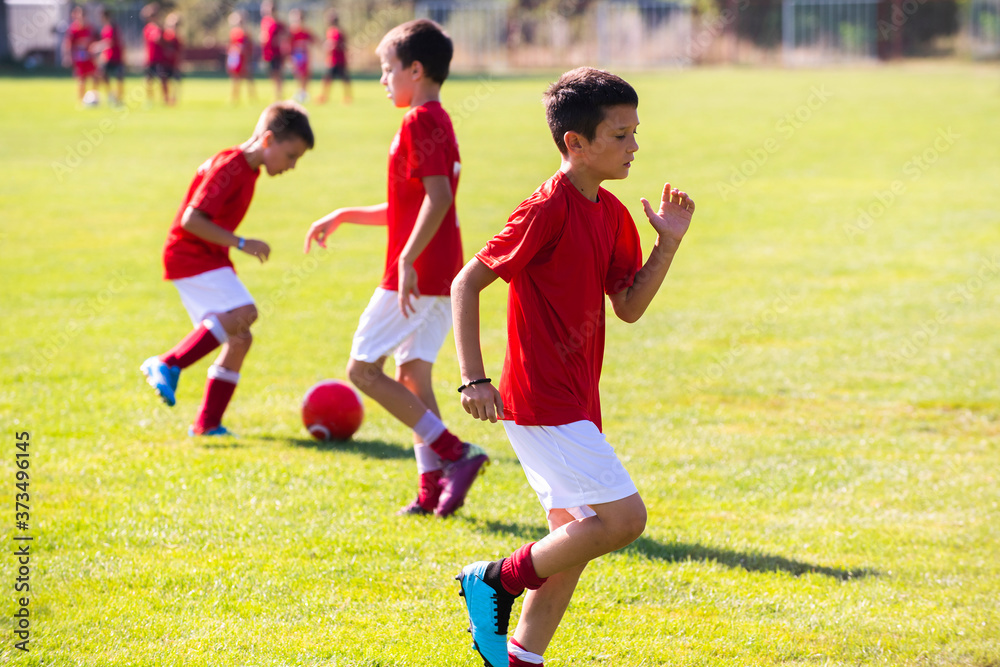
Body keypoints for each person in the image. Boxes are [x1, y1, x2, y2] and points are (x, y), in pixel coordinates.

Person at [451, 67, 695, 667]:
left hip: (579, 399)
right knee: (624, 520)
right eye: (620, 135)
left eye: (636, 132)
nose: (635, 146)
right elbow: (467, 282)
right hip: (541, 399)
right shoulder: (545, 209)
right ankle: (496, 580)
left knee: (574, 540)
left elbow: (630, 307)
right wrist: (474, 378)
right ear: (575, 144)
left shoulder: (611, 214)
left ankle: (518, 658)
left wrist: (667, 244)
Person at [303, 19, 487, 517]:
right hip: (441, 272)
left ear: (416, 69)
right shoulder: (439, 119)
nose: (383, 80)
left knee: (362, 369)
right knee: (412, 377)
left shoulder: (419, 122)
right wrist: (344, 215)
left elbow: (439, 197)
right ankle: (431, 490)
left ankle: (456, 454)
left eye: (387, 70)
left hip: (419, 272)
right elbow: (409, 207)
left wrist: (406, 258)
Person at [140, 102, 314, 437]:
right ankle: (167, 363)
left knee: (239, 337)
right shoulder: (232, 166)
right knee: (245, 312)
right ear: (267, 140)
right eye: (291, 155)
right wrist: (241, 242)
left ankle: (207, 424)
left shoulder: (246, 168)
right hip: (191, 254)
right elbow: (191, 220)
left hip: (206, 255)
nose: (292, 165)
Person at [63, 5, 97, 105]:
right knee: (81, 79)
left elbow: (94, 41)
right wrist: (67, 56)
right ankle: (81, 100)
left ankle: (93, 97)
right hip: (79, 58)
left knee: (95, 77)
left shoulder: (90, 28)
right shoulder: (73, 29)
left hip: (89, 57)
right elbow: (68, 44)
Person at [317, 10, 351, 104]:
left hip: (337, 60)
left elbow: (336, 44)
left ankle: (347, 97)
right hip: (333, 59)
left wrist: (328, 45)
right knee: (328, 79)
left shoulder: (336, 32)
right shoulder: (332, 31)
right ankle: (324, 97)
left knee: (342, 79)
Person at [95, 7, 124, 107]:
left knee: (119, 78)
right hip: (107, 57)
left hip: (115, 57)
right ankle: (110, 95)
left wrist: (97, 46)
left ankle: (119, 98)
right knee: (102, 75)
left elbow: (110, 42)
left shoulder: (112, 28)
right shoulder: (105, 28)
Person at [141, 2, 168, 105]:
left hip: (159, 58)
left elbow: (162, 41)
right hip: (150, 59)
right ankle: (149, 100)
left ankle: (165, 99)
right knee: (148, 80)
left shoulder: (160, 28)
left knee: (162, 79)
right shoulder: (147, 28)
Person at [227, 11, 256, 104]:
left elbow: (249, 46)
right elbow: (231, 45)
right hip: (236, 58)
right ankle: (234, 97)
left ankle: (252, 96)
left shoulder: (246, 34)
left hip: (245, 59)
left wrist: (248, 57)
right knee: (235, 78)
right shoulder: (234, 33)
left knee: (248, 77)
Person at [259, 0, 287, 100]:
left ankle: (279, 95)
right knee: (271, 73)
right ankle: (276, 93)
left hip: (276, 53)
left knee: (277, 73)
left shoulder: (278, 24)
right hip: (267, 53)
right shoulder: (265, 21)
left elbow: (285, 35)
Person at [287, 8, 315, 103]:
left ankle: (304, 92)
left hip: (304, 55)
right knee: (298, 74)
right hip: (297, 55)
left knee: (305, 74)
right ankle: (300, 91)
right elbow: (289, 44)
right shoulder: (292, 32)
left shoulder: (306, 31)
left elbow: (313, 40)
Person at [161, 12, 183, 105]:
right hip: (165, 62)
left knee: (175, 82)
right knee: (165, 81)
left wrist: (179, 63)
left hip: (174, 63)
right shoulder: (165, 34)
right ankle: (166, 98)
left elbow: (179, 51)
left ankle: (174, 99)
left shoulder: (177, 37)